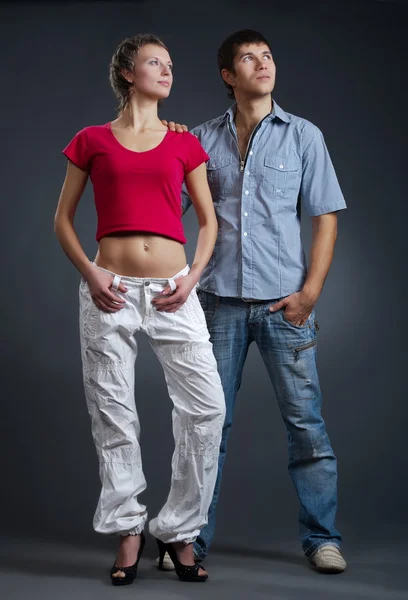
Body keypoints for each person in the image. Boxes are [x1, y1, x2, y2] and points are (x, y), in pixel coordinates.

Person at [160, 29, 347, 574]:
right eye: (249, 58)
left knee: (307, 429)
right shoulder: (197, 140)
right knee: (205, 428)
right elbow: (167, 206)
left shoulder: (305, 136)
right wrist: (163, 141)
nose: (263, 64)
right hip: (215, 306)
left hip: (284, 308)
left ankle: (323, 538)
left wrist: (309, 293)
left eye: (268, 55)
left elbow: (325, 216)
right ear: (227, 75)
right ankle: (191, 542)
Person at [54, 33, 226, 586]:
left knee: (206, 409)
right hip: (112, 289)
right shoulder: (91, 140)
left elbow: (208, 221)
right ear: (128, 72)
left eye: (171, 64)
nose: (168, 71)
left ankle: (177, 528)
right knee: (113, 412)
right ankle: (128, 528)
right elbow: (62, 220)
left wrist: (193, 277)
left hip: (175, 288)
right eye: (156, 63)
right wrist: (92, 273)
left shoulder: (184, 144)